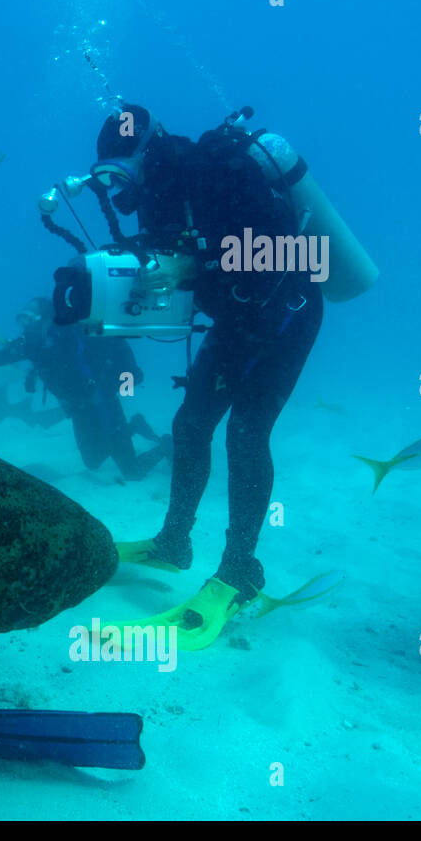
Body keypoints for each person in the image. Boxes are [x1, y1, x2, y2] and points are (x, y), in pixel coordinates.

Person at [88, 103, 323, 638]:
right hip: (238, 321)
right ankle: (174, 542)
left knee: (245, 432)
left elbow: (282, 253)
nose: (121, 189)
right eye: (107, 178)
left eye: (122, 171)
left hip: (287, 312)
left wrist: (189, 266)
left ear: (149, 151)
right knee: (190, 425)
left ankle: (240, 571)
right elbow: (182, 265)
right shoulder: (162, 198)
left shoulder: (221, 170)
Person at [0, 296, 170, 480]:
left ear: (47, 319)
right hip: (77, 409)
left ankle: (165, 446)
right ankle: (131, 427)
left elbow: (119, 359)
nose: (25, 326)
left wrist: (107, 386)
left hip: (103, 404)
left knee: (133, 472)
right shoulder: (29, 343)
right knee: (93, 461)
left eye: (30, 319)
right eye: (22, 319)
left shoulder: (70, 336)